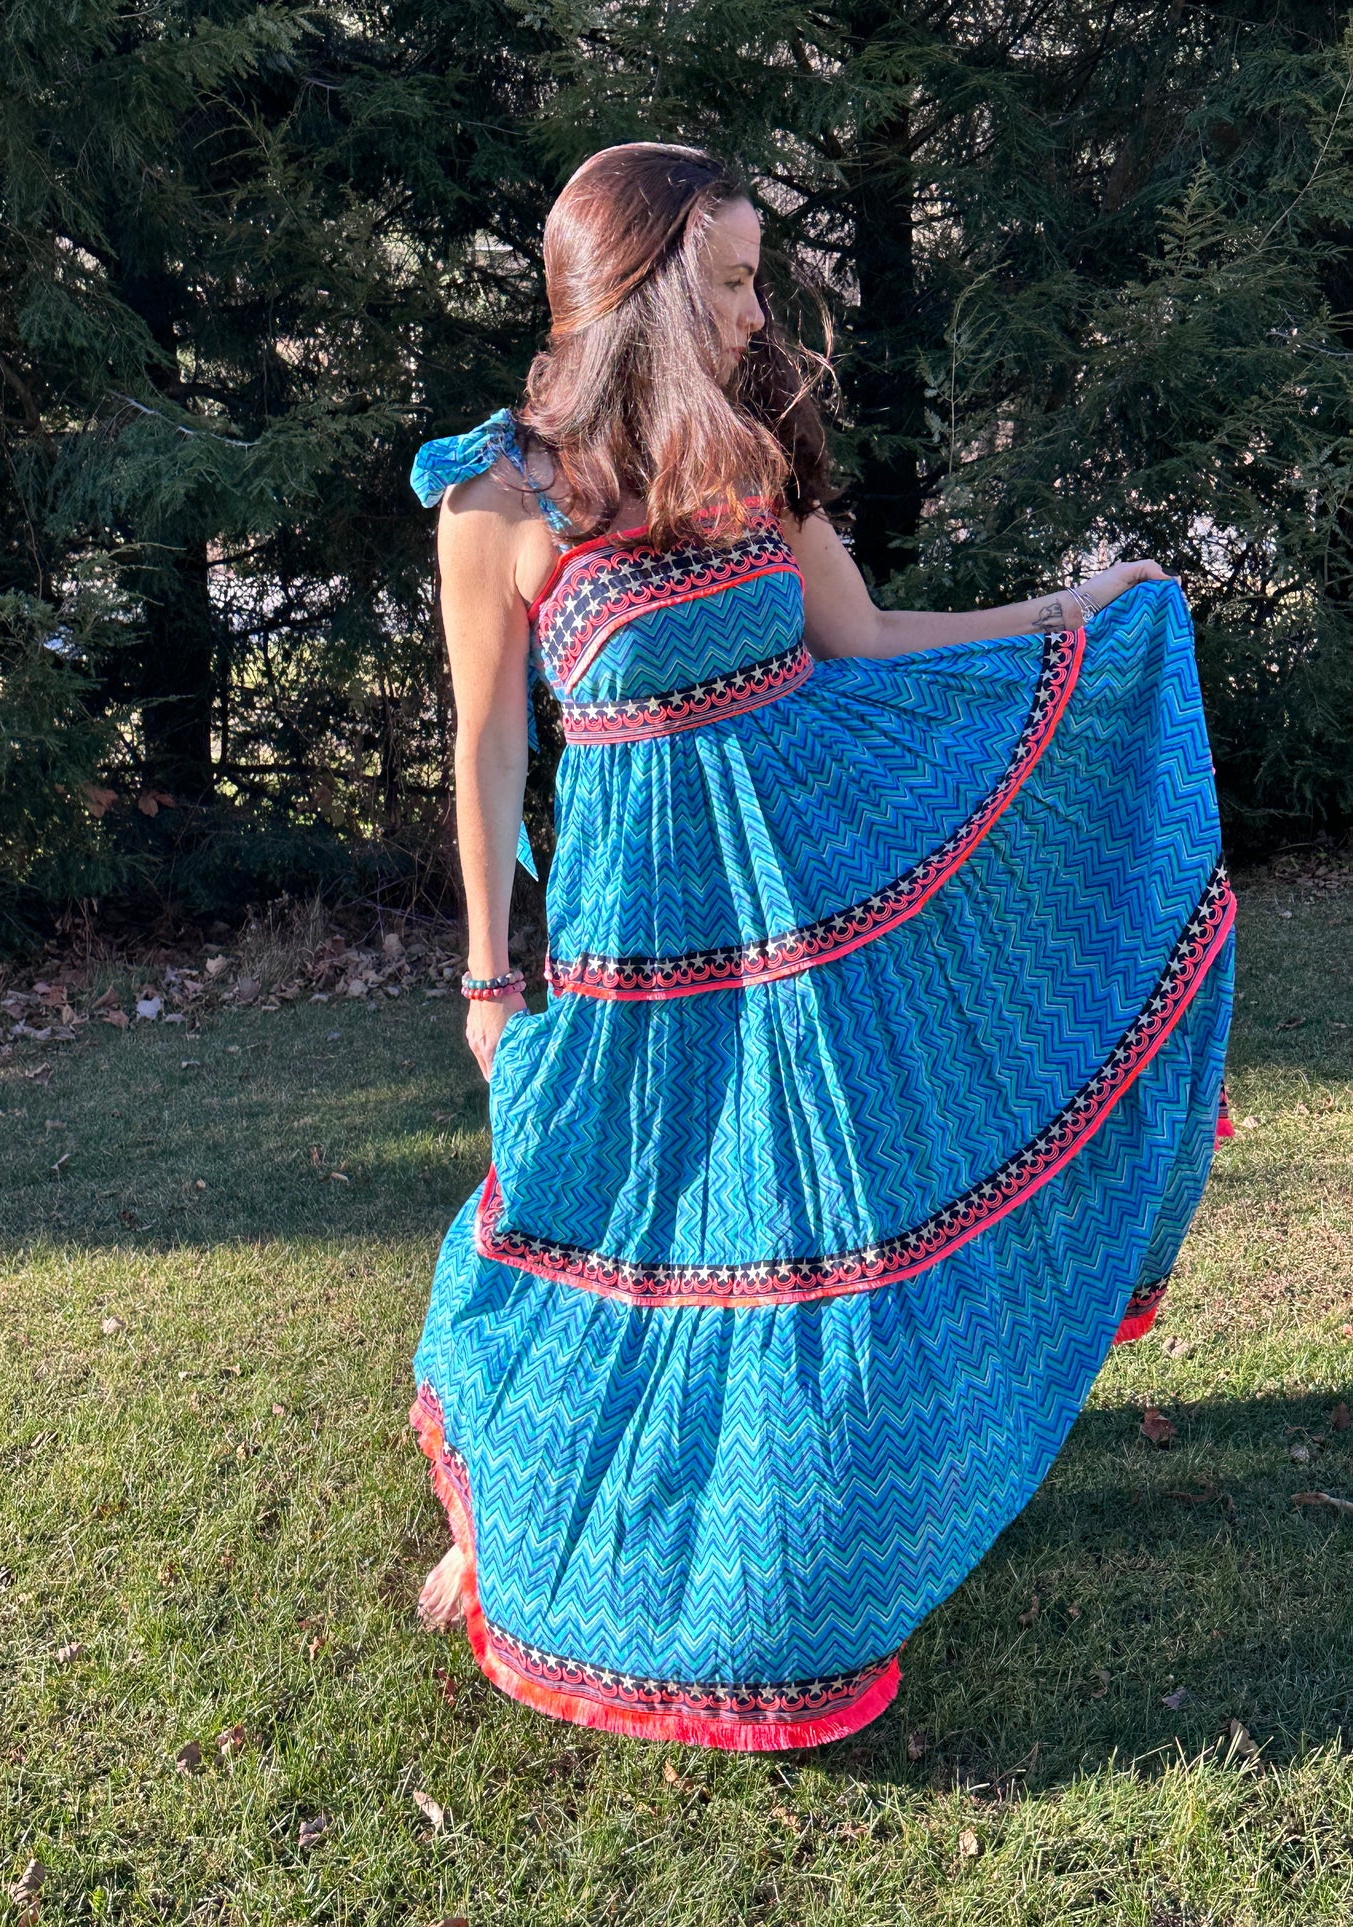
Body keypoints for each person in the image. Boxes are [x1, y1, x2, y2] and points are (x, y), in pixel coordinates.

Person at [406, 142, 1233, 1750]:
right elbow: (488, 743)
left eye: (752, 279)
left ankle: (796, 1544)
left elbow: (859, 640)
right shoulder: (499, 496)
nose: (752, 311)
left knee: (811, 1234)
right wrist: (488, 975)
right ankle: (510, 1520)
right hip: (644, 943)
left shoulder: (745, 452)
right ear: (637, 291)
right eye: (726, 282)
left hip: (815, 915)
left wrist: (1071, 614)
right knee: (587, 1210)